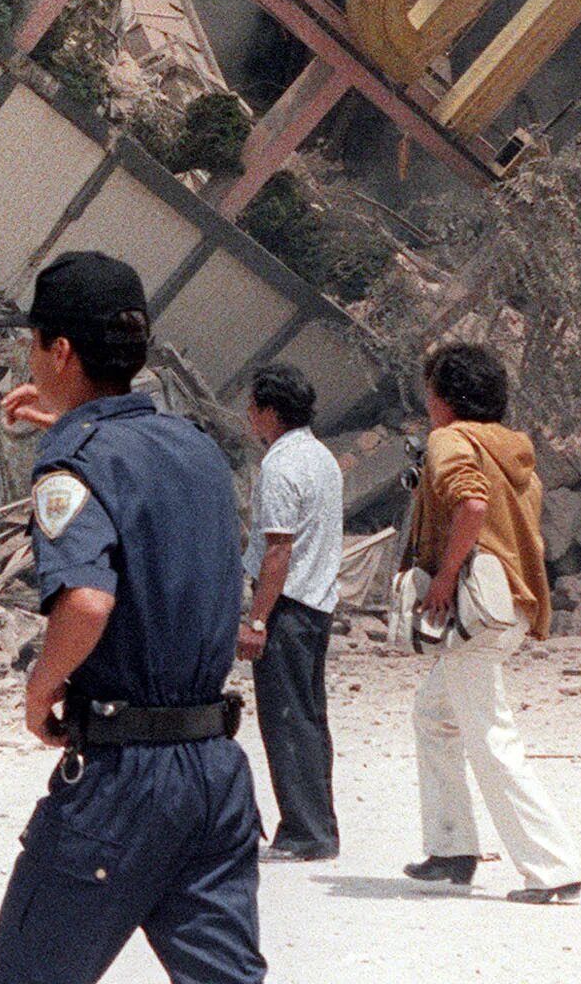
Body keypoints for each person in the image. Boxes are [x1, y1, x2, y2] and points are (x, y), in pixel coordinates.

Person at [0, 252, 263, 984]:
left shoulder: (74, 462)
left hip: (125, 781)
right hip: (215, 774)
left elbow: (89, 600)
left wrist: (42, 689)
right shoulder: (194, 448)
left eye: (35, 343)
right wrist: (72, 427)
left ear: (61, 351)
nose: (31, 358)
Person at [404, 341, 581, 905]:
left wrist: (442, 578)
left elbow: (472, 507)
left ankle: (551, 867)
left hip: (474, 608)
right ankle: (451, 847)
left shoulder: (450, 441)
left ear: (445, 398)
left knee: (489, 734)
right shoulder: (515, 453)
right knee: (433, 715)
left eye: (430, 392)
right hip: (509, 606)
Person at [236, 363, 340, 862]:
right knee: (309, 717)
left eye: (254, 408)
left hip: (289, 606)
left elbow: (278, 550)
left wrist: (257, 620)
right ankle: (317, 825)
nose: (249, 418)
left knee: (286, 720)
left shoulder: (280, 466)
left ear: (271, 411)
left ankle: (305, 832)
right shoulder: (321, 457)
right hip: (318, 603)